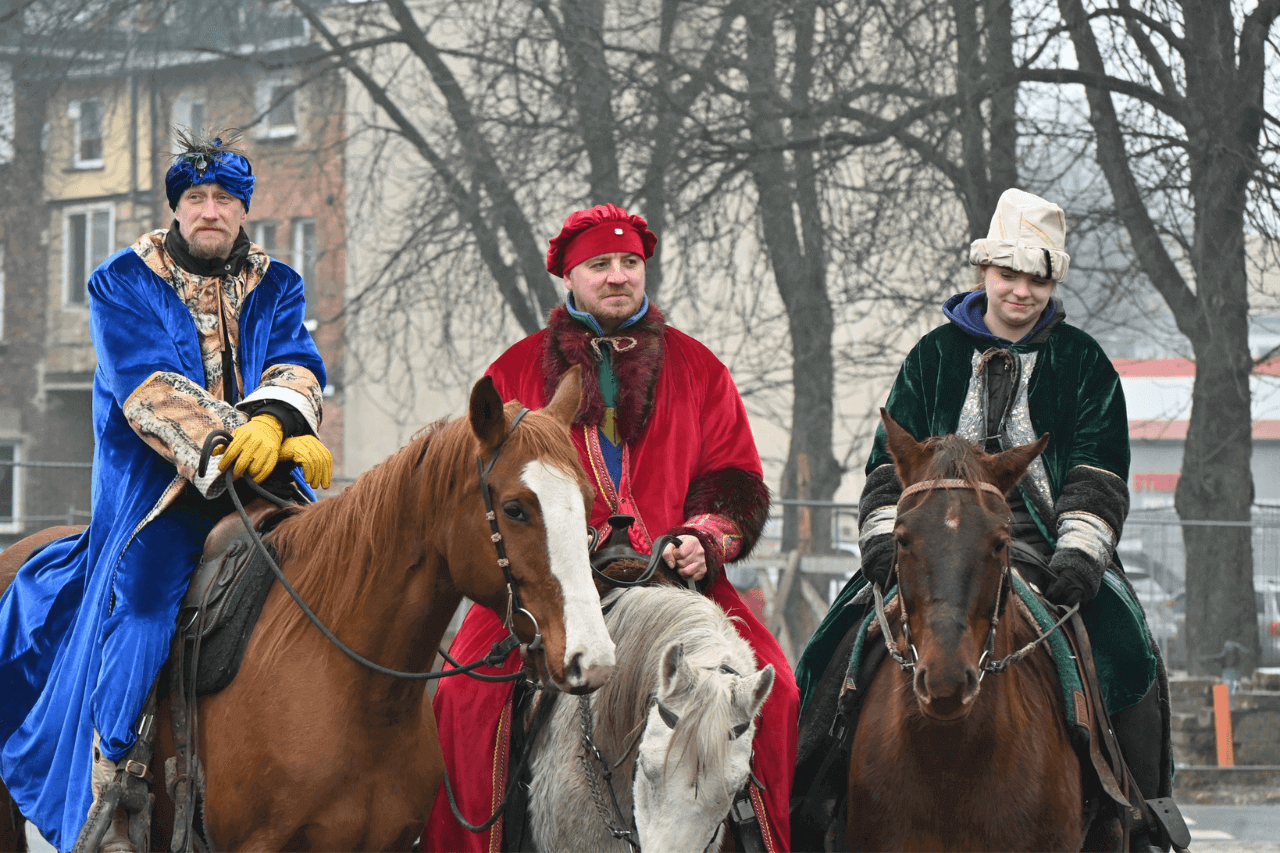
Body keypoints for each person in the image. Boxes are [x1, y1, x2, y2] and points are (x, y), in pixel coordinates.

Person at [795, 188, 1178, 850]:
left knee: (1129, 644)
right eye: (1009, 274)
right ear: (985, 273)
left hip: (1045, 551)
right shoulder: (933, 355)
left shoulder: (1083, 361)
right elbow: (888, 467)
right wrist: (885, 545)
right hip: (930, 547)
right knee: (836, 637)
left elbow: (1097, 472)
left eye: (1037, 277)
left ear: (1051, 281)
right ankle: (811, 795)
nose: (1022, 291)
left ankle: (1139, 812)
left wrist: (1081, 556)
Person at [425, 203, 799, 852]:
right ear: (570, 278)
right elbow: (480, 482)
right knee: (462, 695)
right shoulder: (513, 370)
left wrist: (704, 537)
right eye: (600, 264)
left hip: (677, 589)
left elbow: (735, 481)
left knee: (781, 686)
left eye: (630, 263)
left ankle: (767, 838)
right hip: (544, 585)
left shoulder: (699, 368)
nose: (618, 276)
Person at [0, 130, 332, 852]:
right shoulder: (121, 281)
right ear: (177, 210)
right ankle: (114, 775)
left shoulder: (279, 283)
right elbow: (147, 386)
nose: (209, 210)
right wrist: (230, 440)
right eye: (195, 199)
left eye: (223, 199)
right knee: (146, 599)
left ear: (242, 212)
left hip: (267, 471)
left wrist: (282, 422)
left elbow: (297, 357)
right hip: (163, 484)